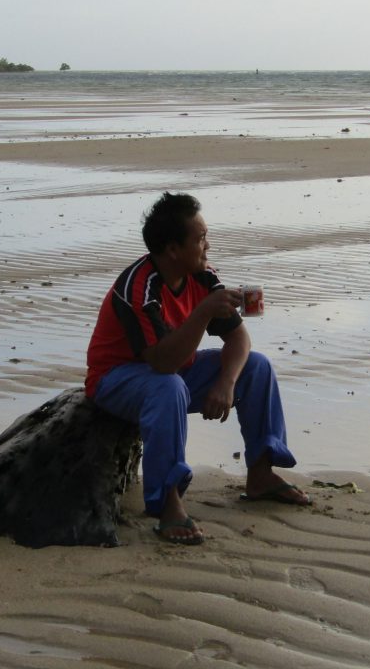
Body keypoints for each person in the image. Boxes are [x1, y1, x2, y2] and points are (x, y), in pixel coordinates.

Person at [85, 192, 310, 545]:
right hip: (116, 379)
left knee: (257, 366)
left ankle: (261, 473)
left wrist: (226, 382)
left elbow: (239, 340)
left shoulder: (202, 277)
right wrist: (203, 312)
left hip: (172, 371)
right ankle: (167, 500)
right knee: (168, 386)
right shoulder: (140, 288)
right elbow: (161, 362)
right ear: (173, 250)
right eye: (200, 238)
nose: (208, 245)